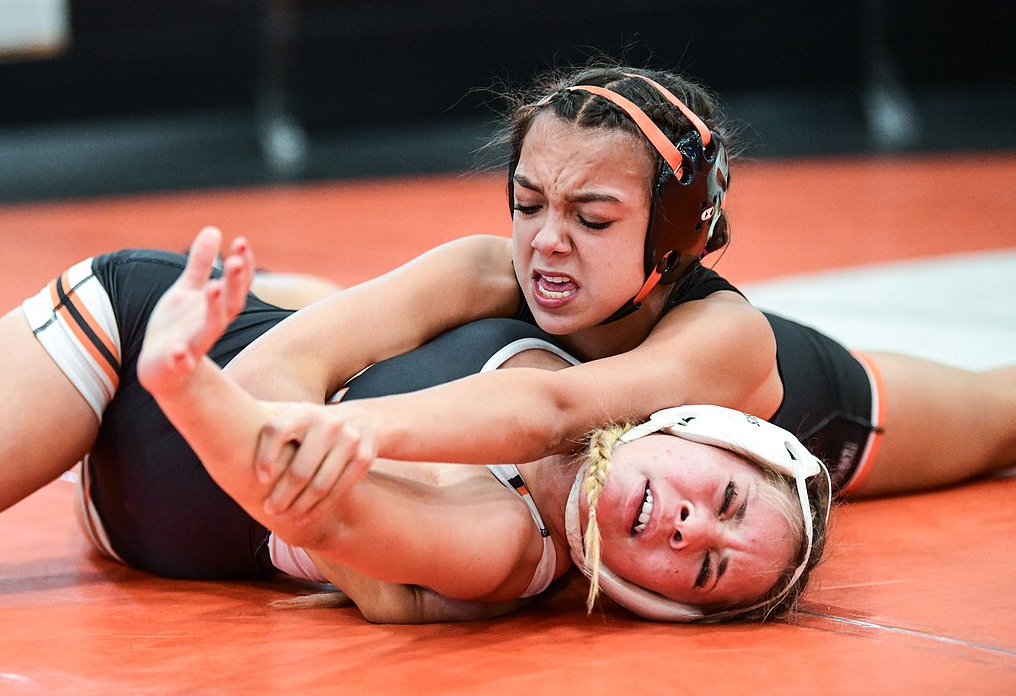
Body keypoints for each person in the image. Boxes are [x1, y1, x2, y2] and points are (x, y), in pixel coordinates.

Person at [0, 226, 828, 624]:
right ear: (702, 429)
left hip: (169, 417)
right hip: (135, 328)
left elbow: (300, 491)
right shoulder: (587, 323)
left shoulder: (502, 547)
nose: (693, 527)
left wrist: (188, 381)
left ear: (658, 603)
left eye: (702, 566)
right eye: (726, 497)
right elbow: (324, 343)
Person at [230, 64, 1016, 517]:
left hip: (839, 410)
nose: (546, 241)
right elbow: (272, 368)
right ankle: (285, 287)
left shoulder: (728, 338)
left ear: (672, 238)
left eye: (592, 218)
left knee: (1001, 419)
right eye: (528, 203)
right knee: (340, 306)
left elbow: (553, 414)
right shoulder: (484, 267)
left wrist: (332, 434)